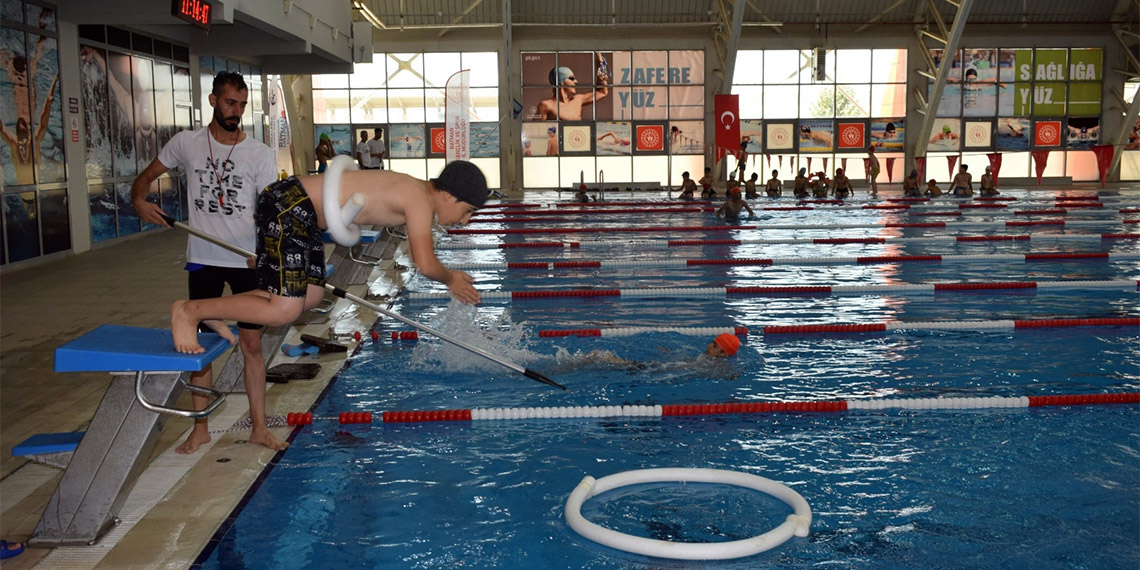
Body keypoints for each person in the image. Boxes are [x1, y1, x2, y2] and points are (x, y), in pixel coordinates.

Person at [168, 160, 490, 356]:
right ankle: (189, 310)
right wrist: (452, 278)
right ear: (449, 195)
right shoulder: (419, 200)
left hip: (300, 213)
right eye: (467, 211)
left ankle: (208, 310)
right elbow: (425, 262)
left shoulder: (415, 190)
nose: (465, 221)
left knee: (310, 295)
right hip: (289, 206)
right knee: (284, 309)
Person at [131, 71, 281, 453]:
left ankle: (259, 427)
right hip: (202, 258)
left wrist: (265, 251)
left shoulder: (260, 154)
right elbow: (146, 177)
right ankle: (200, 427)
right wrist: (139, 201)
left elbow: (269, 212)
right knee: (200, 347)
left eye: (243, 105)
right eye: (231, 103)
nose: (237, 112)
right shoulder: (187, 143)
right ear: (213, 100)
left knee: (251, 345)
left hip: (247, 261)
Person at [1, 26, 59, 185]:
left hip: (19, 87)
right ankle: (41, 30)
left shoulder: (17, 141)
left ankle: (41, 30)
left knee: (20, 68)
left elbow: (0, 127)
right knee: (33, 64)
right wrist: (53, 83)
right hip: (26, 88)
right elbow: (45, 117)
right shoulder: (32, 139)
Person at [536, 54, 609, 121]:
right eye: (572, 78)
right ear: (560, 81)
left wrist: (600, 66)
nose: (576, 81)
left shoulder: (577, 100)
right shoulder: (546, 105)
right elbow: (536, 130)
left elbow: (602, 92)